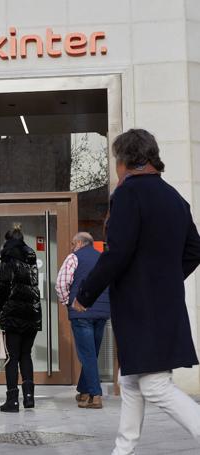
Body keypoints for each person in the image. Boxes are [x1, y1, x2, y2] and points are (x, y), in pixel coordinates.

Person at [72, 129, 200, 454]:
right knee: (129, 380)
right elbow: (194, 251)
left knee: (155, 386)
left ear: (125, 161)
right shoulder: (176, 198)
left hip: (141, 309)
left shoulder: (129, 195)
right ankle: (123, 450)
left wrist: (86, 294)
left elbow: (117, 252)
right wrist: (164, 280)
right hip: (163, 305)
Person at [55, 232, 110, 409]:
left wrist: (68, 302)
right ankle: (84, 391)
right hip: (101, 313)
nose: (72, 247)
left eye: (73, 244)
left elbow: (61, 284)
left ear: (80, 243)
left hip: (81, 311)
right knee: (92, 353)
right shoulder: (103, 258)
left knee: (87, 354)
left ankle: (95, 395)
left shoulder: (74, 258)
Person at [0, 225, 41, 413]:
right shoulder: (31, 255)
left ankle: (12, 400)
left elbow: (4, 287)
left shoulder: (8, 256)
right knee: (26, 354)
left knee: (12, 357)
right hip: (32, 312)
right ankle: (29, 398)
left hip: (13, 313)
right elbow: (27, 283)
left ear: (8, 240)